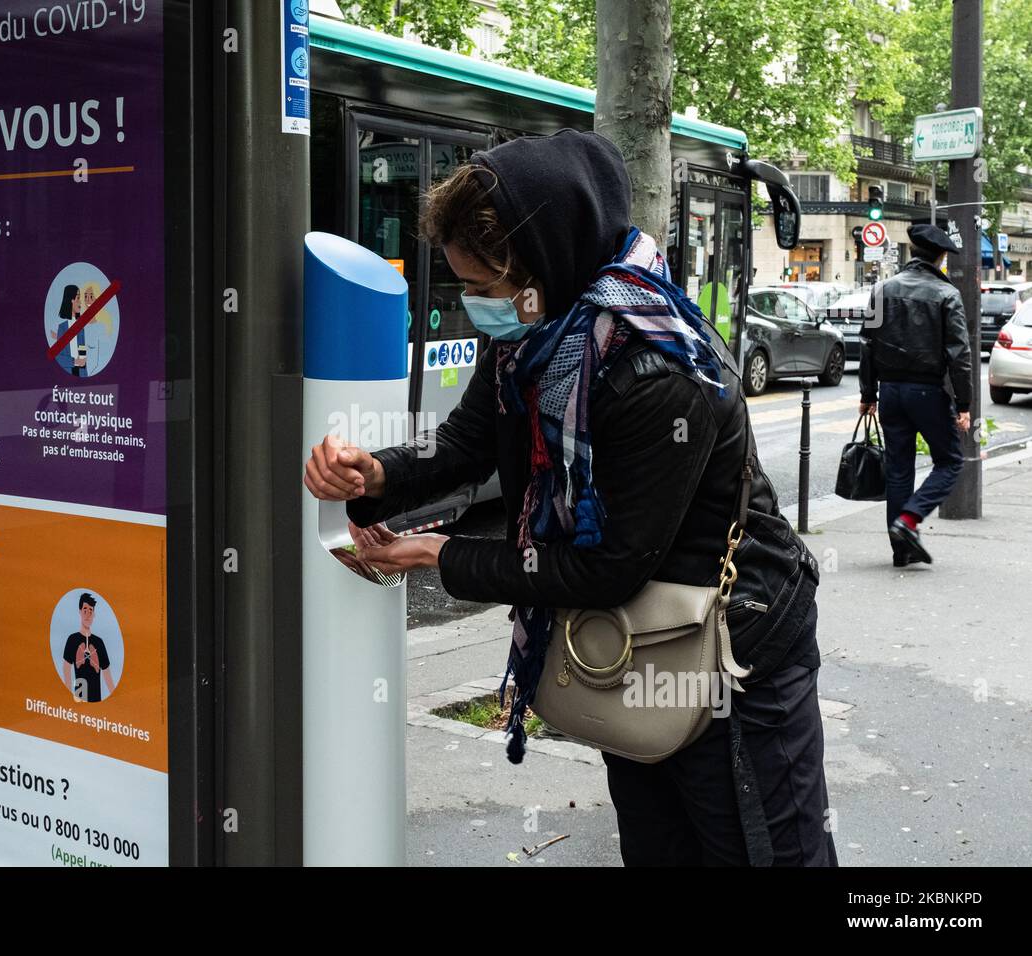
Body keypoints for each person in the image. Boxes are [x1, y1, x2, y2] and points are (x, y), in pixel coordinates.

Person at [304, 130, 832, 866]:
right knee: (660, 848)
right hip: (636, 645)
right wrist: (376, 473)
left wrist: (442, 554)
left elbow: (606, 567)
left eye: (483, 289)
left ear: (542, 266)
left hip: (733, 650)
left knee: (760, 851)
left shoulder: (654, 368)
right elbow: (465, 442)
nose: (475, 306)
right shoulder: (533, 331)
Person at [859, 224, 971, 566]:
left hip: (890, 391)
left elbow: (868, 345)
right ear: (939, 258)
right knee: (950, 461)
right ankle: (909, 521)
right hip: (927, 391)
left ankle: (901, 551)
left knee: (899, 469)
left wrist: (868, 393)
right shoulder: (946, 294)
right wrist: (964, 404)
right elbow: (959, 354)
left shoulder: (882, 290)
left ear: (912, 253)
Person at [62, 593, 114, 702]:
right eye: (85, 610)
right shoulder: (73, 639)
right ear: (80, 611)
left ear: (94, 615)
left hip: (96, 701)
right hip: (80, 698)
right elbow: (66, 671)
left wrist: (116, 700)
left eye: (91, 611)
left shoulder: (99, 642)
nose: (88, 614)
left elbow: (107, 675)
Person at [51, 284, 88, 377]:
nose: (80, 302)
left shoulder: (81, 327)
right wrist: (74, 361)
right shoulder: (62, 327)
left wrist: (83, 360)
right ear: (71, 300)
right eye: (78, 298)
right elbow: (58, 357)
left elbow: (82, 348)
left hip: (81, 372)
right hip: (68, 372)